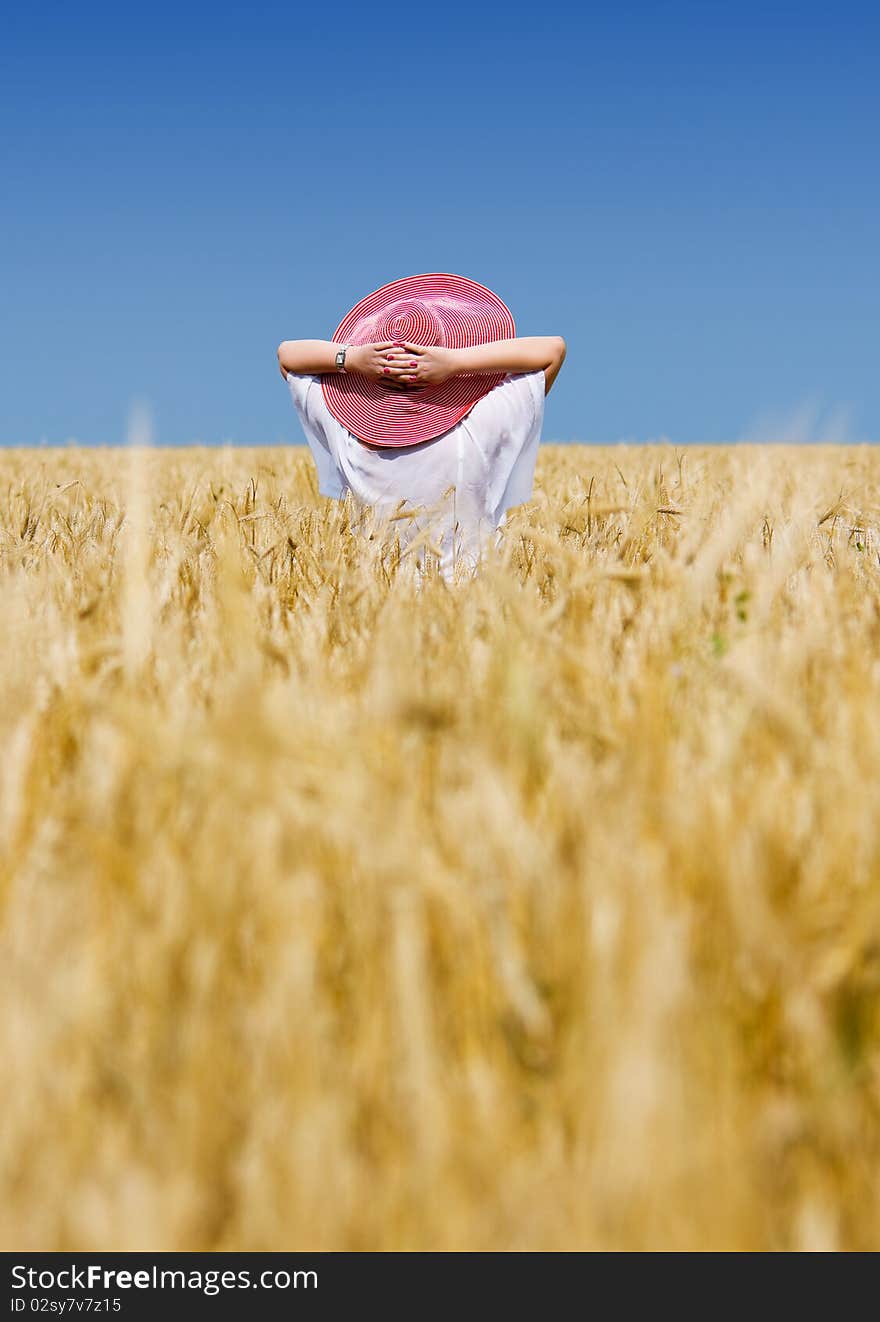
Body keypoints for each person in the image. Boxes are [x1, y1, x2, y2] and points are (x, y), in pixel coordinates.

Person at [277, 272, 566, 581]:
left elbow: (287, 356)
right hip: (477, 613)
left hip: (382, 616)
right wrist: (454, 362)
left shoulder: (347, 440)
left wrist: (353, 358)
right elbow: (552, 350)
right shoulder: (477, 430)